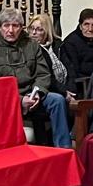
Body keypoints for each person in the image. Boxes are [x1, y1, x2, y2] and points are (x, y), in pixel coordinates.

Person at [0, 7, 57, 141]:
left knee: (57, 101)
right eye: (6, 25)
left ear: (22, 27)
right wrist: (20, 100)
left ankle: (64, 148)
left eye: (15, 26)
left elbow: (43, 74)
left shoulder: (31, 44)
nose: (11, 30)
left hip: (32, 95)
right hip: (5, 101)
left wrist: (38, 93)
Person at [28, 13, 71, 147]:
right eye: (32, 29)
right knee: (59, 100)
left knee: (84, 99)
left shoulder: (58, 45)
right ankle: (63, 146)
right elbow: (45, 76)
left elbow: (70, 68)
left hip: (63, 85)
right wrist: (65, 92)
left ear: (47, 31)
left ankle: (72, 138)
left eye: (39, 29)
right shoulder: (30, 48)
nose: (34, 33)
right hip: (42, 89)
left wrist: (71, 89)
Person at [58, 9, 93, 97]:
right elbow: (71, 71)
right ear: (80, 26)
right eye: (86, 24)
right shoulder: (70, 43)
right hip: (79, 86)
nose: (90, 29)